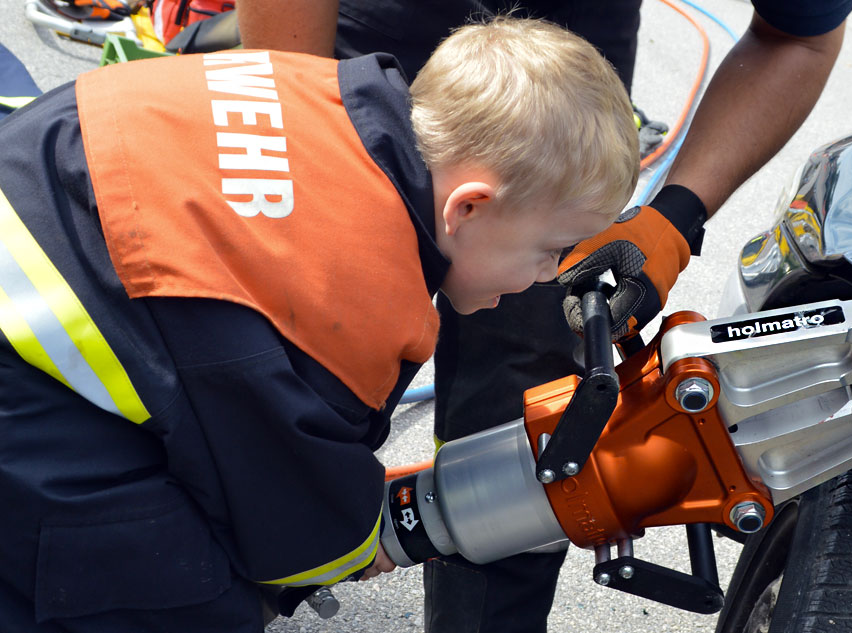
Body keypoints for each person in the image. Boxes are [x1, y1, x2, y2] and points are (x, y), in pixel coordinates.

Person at [0, 17, 637, 633]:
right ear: (468, 206)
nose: (551, 274)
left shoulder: (327, 99)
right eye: (550, 249)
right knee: (195, 589)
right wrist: (355, 543)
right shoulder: (348, 299)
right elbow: (282, 497)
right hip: (24, 395)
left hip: (39, 217)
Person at [239, 2, 852, 632]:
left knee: (528, 412)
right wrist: (300, 125)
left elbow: (800, 39)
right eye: (549, 254)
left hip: (564, 70)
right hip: (369, 38)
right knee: (297, 360)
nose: (551, 273)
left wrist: (675, 216)